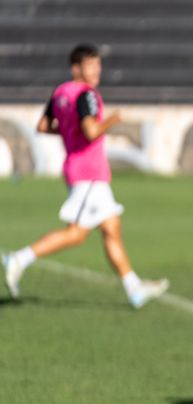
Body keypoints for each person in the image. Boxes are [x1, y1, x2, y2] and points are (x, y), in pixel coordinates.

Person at [2, 44, 168, 307]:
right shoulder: (87, 94)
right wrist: (113, 120)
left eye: (98, 65)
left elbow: (44, 126)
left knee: (111, 228)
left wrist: (69, 132)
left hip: (79, 170)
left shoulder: (60, 93)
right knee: (77, 234)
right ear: (76, 68)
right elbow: (91, 132)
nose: (96, 71)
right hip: (89, 173)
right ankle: (20, 259)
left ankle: (134, 288)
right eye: (91, 66)